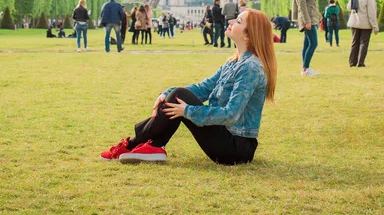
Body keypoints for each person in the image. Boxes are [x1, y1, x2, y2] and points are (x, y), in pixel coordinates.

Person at [100, 9, 277, 165]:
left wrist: (187, 111)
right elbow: (203, 88)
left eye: (238, 21)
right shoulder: (234, 62)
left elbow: (231, 114)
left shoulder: (250, 68)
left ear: (248, 34)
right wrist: (165, 94)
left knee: (180, 96)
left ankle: (137, 144)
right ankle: (152, 146)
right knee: (177, 95)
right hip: (226, 137)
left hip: (236, 148)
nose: (230, 21)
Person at [291, 0, 320, 76]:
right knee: (313, 43)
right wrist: (307, 21)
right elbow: (302, 5)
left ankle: (305, 68)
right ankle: (305, 68)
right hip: (307, 18)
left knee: (307, 43)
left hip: (311, 17)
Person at [347, 0, 379, 67]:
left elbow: (349, 8)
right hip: (365, 24)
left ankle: (352, 62)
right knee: (364, 43)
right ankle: (360, 63)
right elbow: (372, 14)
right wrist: (375, 27)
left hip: (354, 22)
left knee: (354, 42)